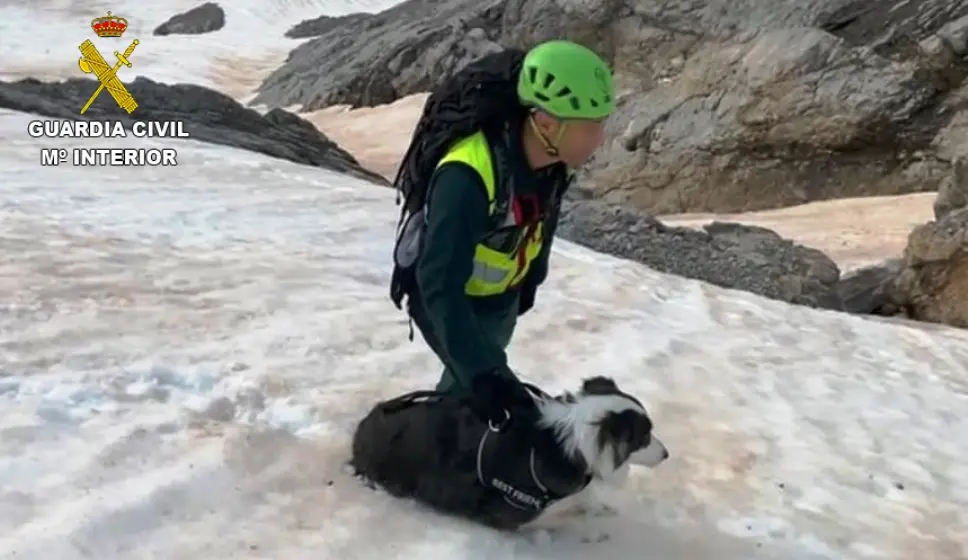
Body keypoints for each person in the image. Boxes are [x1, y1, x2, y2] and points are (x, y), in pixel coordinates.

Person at [394, 40, 616, 429]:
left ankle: (453, 432)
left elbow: (541, 223)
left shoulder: (553, 162)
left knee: (469, 382)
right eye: (589, 127)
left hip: (499, 298)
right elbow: (439, 284)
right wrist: (485, 375)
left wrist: (529, 282)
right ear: (546, 123)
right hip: (447, 300)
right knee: (474, 382)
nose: (599, 140)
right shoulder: (466, 176)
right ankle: (435, 452)